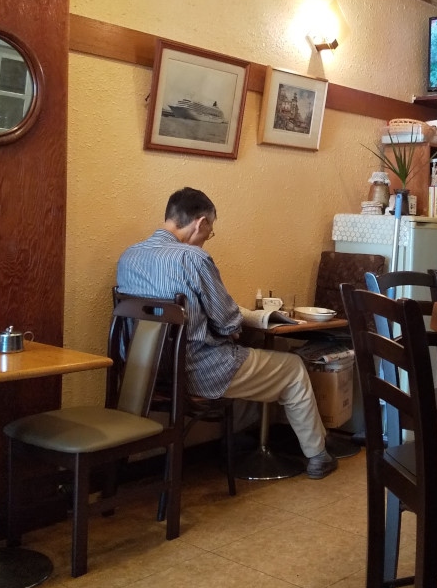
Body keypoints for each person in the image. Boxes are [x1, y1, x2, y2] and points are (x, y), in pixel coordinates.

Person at [116, 187, 336, 478]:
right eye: (210, 232)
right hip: (197, 371)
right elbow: (229, 321)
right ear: (201, 223)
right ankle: (318, 455)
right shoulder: (194, 258)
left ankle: (245, 440)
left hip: (144, 372)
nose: (206, 239)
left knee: (252, 357)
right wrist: (230, 327)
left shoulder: (128, 256)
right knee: (293, 367)